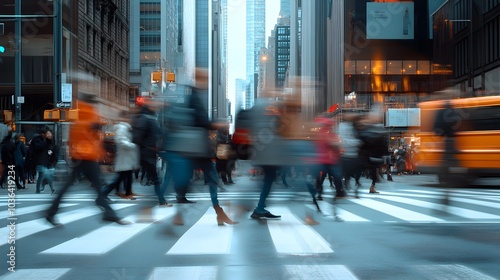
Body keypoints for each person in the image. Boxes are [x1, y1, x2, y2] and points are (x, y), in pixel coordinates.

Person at [164, 68, 237, 225]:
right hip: (196, 149)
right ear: (201, 79)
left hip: (191, 149)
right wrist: (216, 123)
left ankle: (217, 213)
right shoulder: (194, 97)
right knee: (210, 178)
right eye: (205, 79)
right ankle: (218, 213)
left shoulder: (190, 95)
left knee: (198, 180)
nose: (207, 82)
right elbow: (201, 122)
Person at [45, 93, 130, 226]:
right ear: (91, 103)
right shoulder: (88, 116)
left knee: (77, 186)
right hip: (86, 158)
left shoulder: (84, 116)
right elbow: (90, 138)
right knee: (94, 185)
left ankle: (51, 212)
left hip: (81, 157)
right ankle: (109, 213)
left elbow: (79, 139)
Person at [132, 97, 171, 207]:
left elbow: (154, 134)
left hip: (148, 152)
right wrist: (148, 147)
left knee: (155, 178)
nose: (156, 106)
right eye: (153, 104)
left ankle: (161, 200)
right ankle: (161, 200)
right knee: (155, 179)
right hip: (146, 153)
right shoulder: (145, 118)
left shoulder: (151, 117)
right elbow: (137, 137)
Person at [103, 110, 140, 200]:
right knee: (119, 178)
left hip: (127, 157)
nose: (129, 119)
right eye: (127, 117)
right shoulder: (122, 128)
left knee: (126, 176)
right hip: (125, 157)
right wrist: (132, 145)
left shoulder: (126, 127)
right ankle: (104, 193)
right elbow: (120, 140)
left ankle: (127, 193)